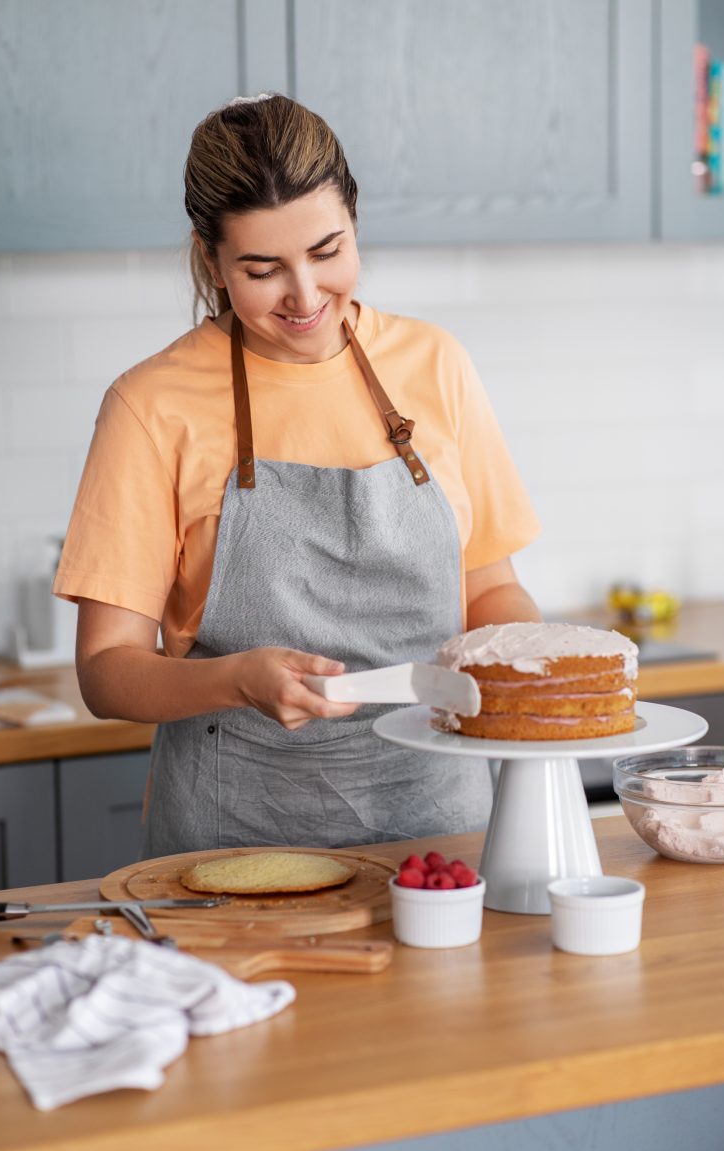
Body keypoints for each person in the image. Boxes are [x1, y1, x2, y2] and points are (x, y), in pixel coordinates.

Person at [54, 93, 543, 856]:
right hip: (234, 846)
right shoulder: (150, 405)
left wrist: (529, 663)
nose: (306, 296)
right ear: (210, 258)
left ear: (356, 219)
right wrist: (235, 679)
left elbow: (488, 588)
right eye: (262, 269)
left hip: (445, 831)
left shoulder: (434, 362)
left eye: (327, 251)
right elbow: (107, 671)